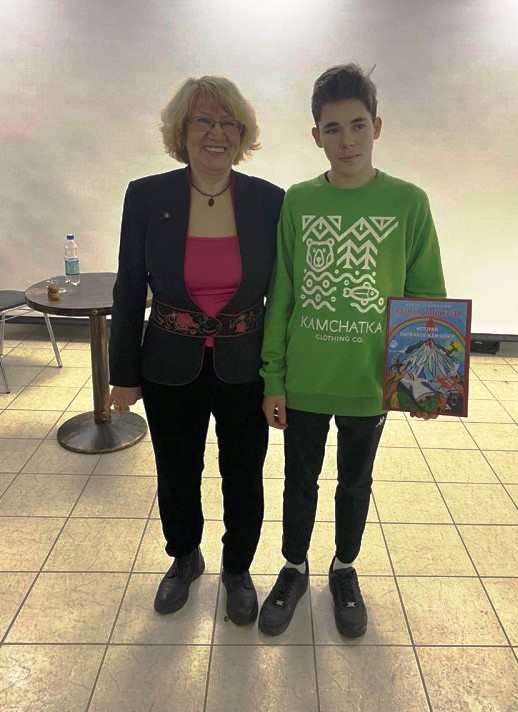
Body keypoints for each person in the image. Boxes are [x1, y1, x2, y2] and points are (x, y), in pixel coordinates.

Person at [258, 63, 446, 637]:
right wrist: (273, 378)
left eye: (358, 125)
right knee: (298, 482)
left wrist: (425, 386)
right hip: (307, 377)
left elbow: (426, 299)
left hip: (370, 382)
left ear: (377, 127)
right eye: (333, 129)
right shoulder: (299, 201)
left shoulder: (409, 202)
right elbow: (282, 293)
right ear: (316, 135)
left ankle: (344, 567)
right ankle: (293, 567)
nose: (347, 140)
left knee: (355, 483)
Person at [108, 76, 284, 625]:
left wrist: (281, 375)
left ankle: (237, 568)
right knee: (176, 469)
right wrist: (123, 374)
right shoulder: (147, 195)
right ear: (181, 132)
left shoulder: (269, 201)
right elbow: (128, 286)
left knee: (244, 473)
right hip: (168, 362)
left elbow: (283, 295)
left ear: (242, 134)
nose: (216, 133)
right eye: (203, 120)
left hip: (244, 365)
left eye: (228, 122)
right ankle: (184, 557)